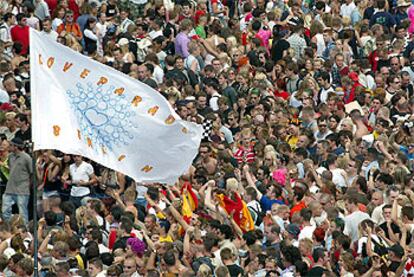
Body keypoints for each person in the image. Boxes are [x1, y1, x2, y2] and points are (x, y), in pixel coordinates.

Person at [1, 137, 32, 224]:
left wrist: (29, 185)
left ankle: (25, 231)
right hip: (9, 188)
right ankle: (10, 228)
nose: (9, 147)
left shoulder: (27, 158)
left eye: (11, 145)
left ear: (16, 147)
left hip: (22, 189)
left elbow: (32, 173)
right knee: (5, 211)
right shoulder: (10, 156)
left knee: (23, 213)